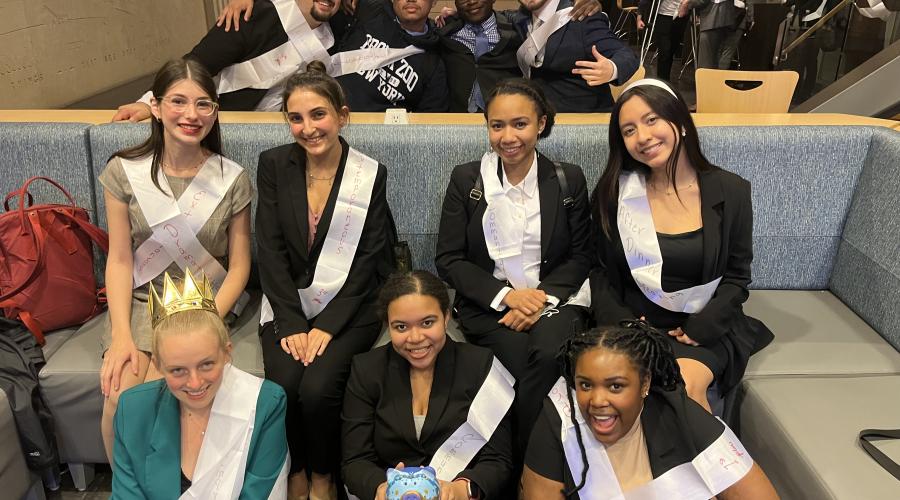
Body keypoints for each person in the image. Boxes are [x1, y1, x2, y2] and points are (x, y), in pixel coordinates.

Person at [99, 58, 252, 463]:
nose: (191, 115)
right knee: (121, 400)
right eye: (179, 102)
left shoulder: (232, 178)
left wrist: (209, 321)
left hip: (206, 304)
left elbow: (239, 267)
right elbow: (118, 260)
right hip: (144, 304)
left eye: (204, 104)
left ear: (215, 112)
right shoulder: (123, 171)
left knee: (163, 395)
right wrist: (120, 336)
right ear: (155, 106)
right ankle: (128, 488)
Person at [589, 78, 773, 411]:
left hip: (702, 326)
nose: (643, 137)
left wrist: (703, 326)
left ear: (680, 122)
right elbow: (600, 271)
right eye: (628, 130)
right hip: (634, 326)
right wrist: (622, 324)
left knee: (684, 389)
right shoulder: (614, 193)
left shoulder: (730, 192)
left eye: (651, 119)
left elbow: (737, 275)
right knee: (623, 396)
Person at [256, 61, 392, 500]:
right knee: (284, 385)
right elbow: (271, 250)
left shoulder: (369, 173)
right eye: (295, 117)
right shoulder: (274, 164)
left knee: (316, 390)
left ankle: (324, 476)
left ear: (342, 115)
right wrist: (293, 323)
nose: (308, 127)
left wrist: (327, 325)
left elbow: (370, 259)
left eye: (318, 115)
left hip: (350, 307)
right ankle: (295, 469)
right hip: (287, 304)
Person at [435, 78, 593, 450]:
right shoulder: (467, 179)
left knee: (552, 352)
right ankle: (537, 463)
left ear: (541, 123)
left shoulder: (567, 179)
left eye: (520, 124)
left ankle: (523, 465)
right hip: (490, 307)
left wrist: (538, 299)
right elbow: (449, 259)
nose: (508, 136)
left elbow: (584, 255)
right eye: (497, 125)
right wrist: (508, 297)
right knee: (527, 365)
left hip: (556, 301)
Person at [521, 322, 779, 499]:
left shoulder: (679, 413)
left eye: (615, 386)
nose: (597, 400)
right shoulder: (558, 421)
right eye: (585, 384)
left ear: (644, 384)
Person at [112, 270, 288, 499]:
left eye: (206, 365)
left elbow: (260, 493)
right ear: (157, 364)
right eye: (177, 370)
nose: (195, 383)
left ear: (226, 353)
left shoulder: (264, 404)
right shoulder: (133, 410)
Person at [342, 270, 515, 499]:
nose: (415, 338)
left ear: (446, 317)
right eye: (401, 327)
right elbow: (355, 461)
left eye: (427, 322)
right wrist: (382, 489)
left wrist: (461, 489)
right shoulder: (366, 370)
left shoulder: (480, 365)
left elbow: (498, 460)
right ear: (388, 326)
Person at [112, 0, 340, 121]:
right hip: (215, 123)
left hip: (277, 131)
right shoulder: (253, 15)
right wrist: (148, 102)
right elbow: (196, 64)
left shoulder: (335, 39)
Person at [514, 0, 639, 112]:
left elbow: (626, 55)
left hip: (582, 122)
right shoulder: (520, 18)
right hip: (540, 118)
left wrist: (611, 68)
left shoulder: (581, 16)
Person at [330, 0, 450, 112]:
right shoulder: (372, 9)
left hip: (373, 129)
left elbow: (430, 124)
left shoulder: (435, 62)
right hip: (326, 106)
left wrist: (456, 17)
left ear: (434, 1)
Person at [679, 0, 752, 70]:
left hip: (715, 17)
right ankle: (718, 79)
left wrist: (687, 3)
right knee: (721, 56)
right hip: (725, 18)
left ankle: (713, 80)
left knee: (707, 64)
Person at [637, 0, 690, 81]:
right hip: (663, 16)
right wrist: (639, 17)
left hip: (681, 16)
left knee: (672, 50)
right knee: (664, 51)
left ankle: (665, 80)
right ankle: (662, 81)